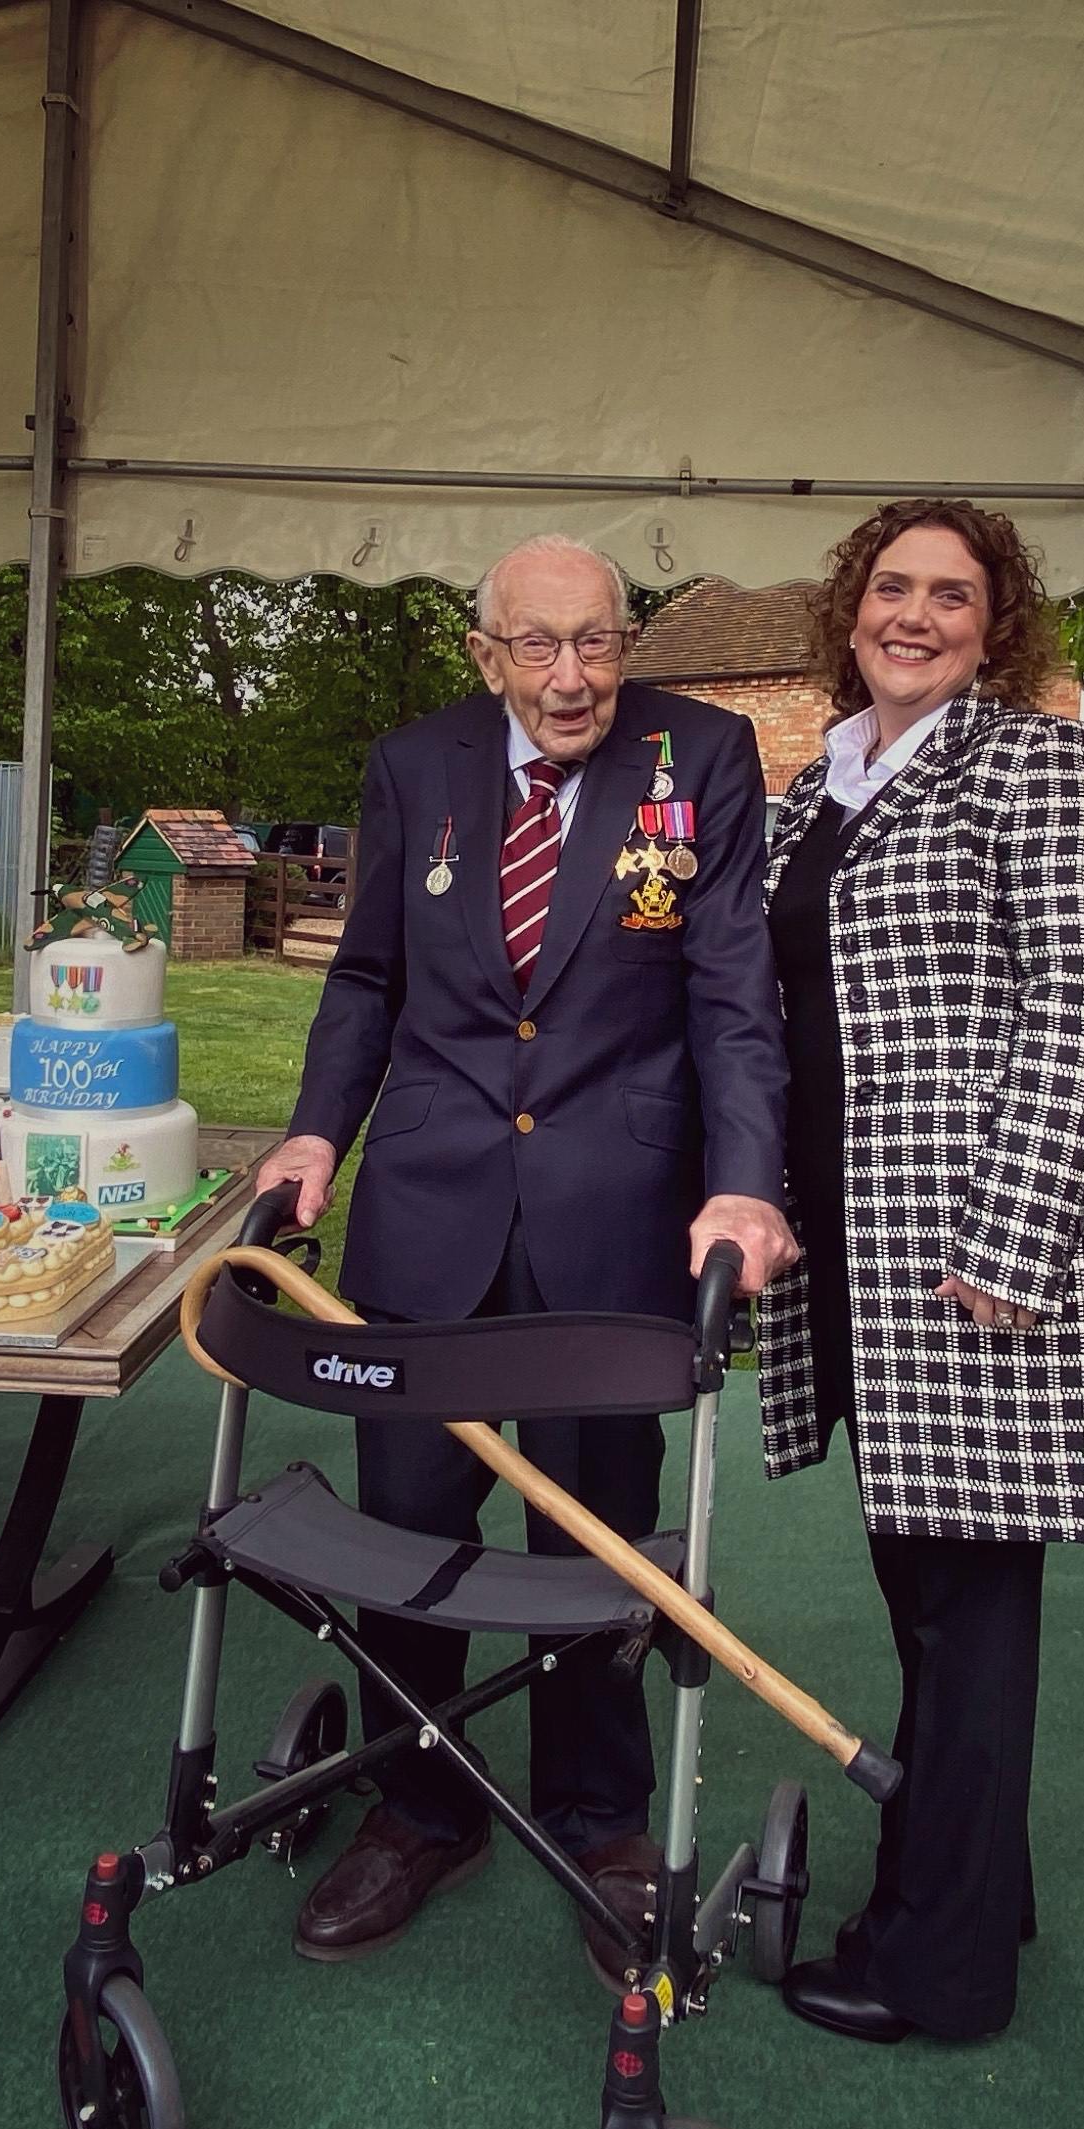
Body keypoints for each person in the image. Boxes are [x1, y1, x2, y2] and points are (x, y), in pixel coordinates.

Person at [255, 534, 796, 1984]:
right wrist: (316, 1133)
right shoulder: (413, 763)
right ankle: (419, 1803)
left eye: (599, 642)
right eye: (540, 646)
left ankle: (596, 1815)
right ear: (486, 651)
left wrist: (743, 1184)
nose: (573, 677)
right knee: (409, 1525)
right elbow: (368, 975)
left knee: (593, 1535)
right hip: (429, 1206)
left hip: (612, 1209)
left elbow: (733, 986)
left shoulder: (705, 757)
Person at [757, 498, 1084, 2044]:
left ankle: (941, 1968)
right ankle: (974, 1883)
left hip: (974, 1263)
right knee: (921, 1593)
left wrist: (1009, 1241)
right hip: (859, 1265)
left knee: (970, 1618)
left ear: (998, 625)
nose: (914, 613)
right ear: (846, 610)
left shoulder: (1034, 760)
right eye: (890, 587)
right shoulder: (818, 789)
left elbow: (1080, 1006)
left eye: (951, 592)